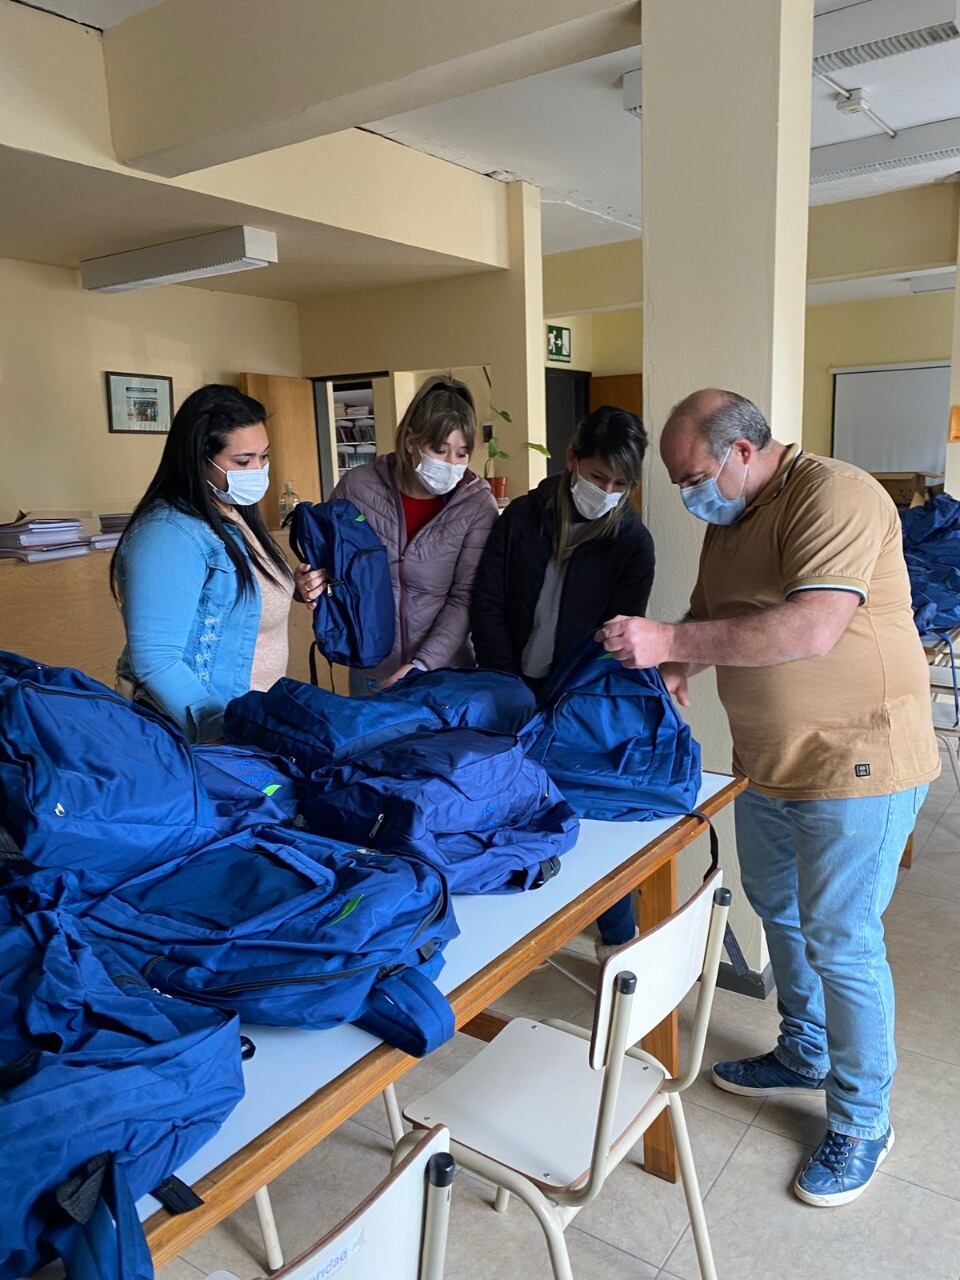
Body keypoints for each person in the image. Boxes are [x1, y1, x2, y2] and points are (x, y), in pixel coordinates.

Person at [597, 388, 938, 1207]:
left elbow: (812, 627)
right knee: (777, 908)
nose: (687, 494)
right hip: (770, 762)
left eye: (692, 476)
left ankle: (863, 1119)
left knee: (842, 938)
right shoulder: (731, 519)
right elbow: (714, 614)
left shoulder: (836, 495)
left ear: (743, 451)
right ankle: (804, 1048)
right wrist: (681, 661)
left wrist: (668, 642)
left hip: (860, 759)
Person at [471, 405, 654, 961]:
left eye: (621, 484)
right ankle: (515, 927)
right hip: (508, 683)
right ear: (572, 459)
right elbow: (489, 600)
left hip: (577, 694)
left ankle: (619, 940)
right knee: (505, 803)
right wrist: (507, 680)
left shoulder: (631, 541)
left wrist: (565, 696)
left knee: (583, 811)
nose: (608, 491)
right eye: (599, 478)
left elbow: (618, 636)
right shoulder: (523, 516)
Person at [113, 384, 322, 742]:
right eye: (243, 461)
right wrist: (221, 730)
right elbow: (156, 659)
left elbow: (237, 596)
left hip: (248, 719)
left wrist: (293, 588)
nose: (258, 470)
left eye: (264, 457)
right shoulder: (167, 534)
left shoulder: (234, 513)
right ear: (199, 459)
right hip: (203, 734)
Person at [329, 375, 498, 693]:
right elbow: (329, 563)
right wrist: (308, 583)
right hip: (371, 667)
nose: (452, 463)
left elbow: (465, 598)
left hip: (442, 672)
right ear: (411, 442)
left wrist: (421, 665)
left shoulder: (477, 504)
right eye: (440, 449)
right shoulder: (358, 487)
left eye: (462, 453)